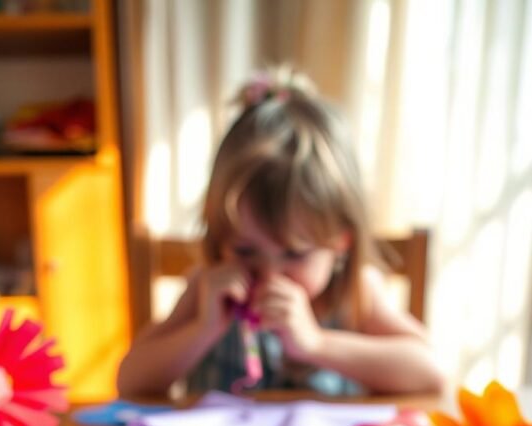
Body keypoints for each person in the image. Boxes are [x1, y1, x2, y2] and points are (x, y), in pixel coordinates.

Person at [118, 67, 444, 398]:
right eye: (245, 251)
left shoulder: (354, 293)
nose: (270, 273)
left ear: (341, 242)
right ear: (219, 237)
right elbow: (129, 380)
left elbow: (432, 374)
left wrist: (316, 343)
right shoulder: (206, 290)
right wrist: (203, 328)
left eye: (294, 254)